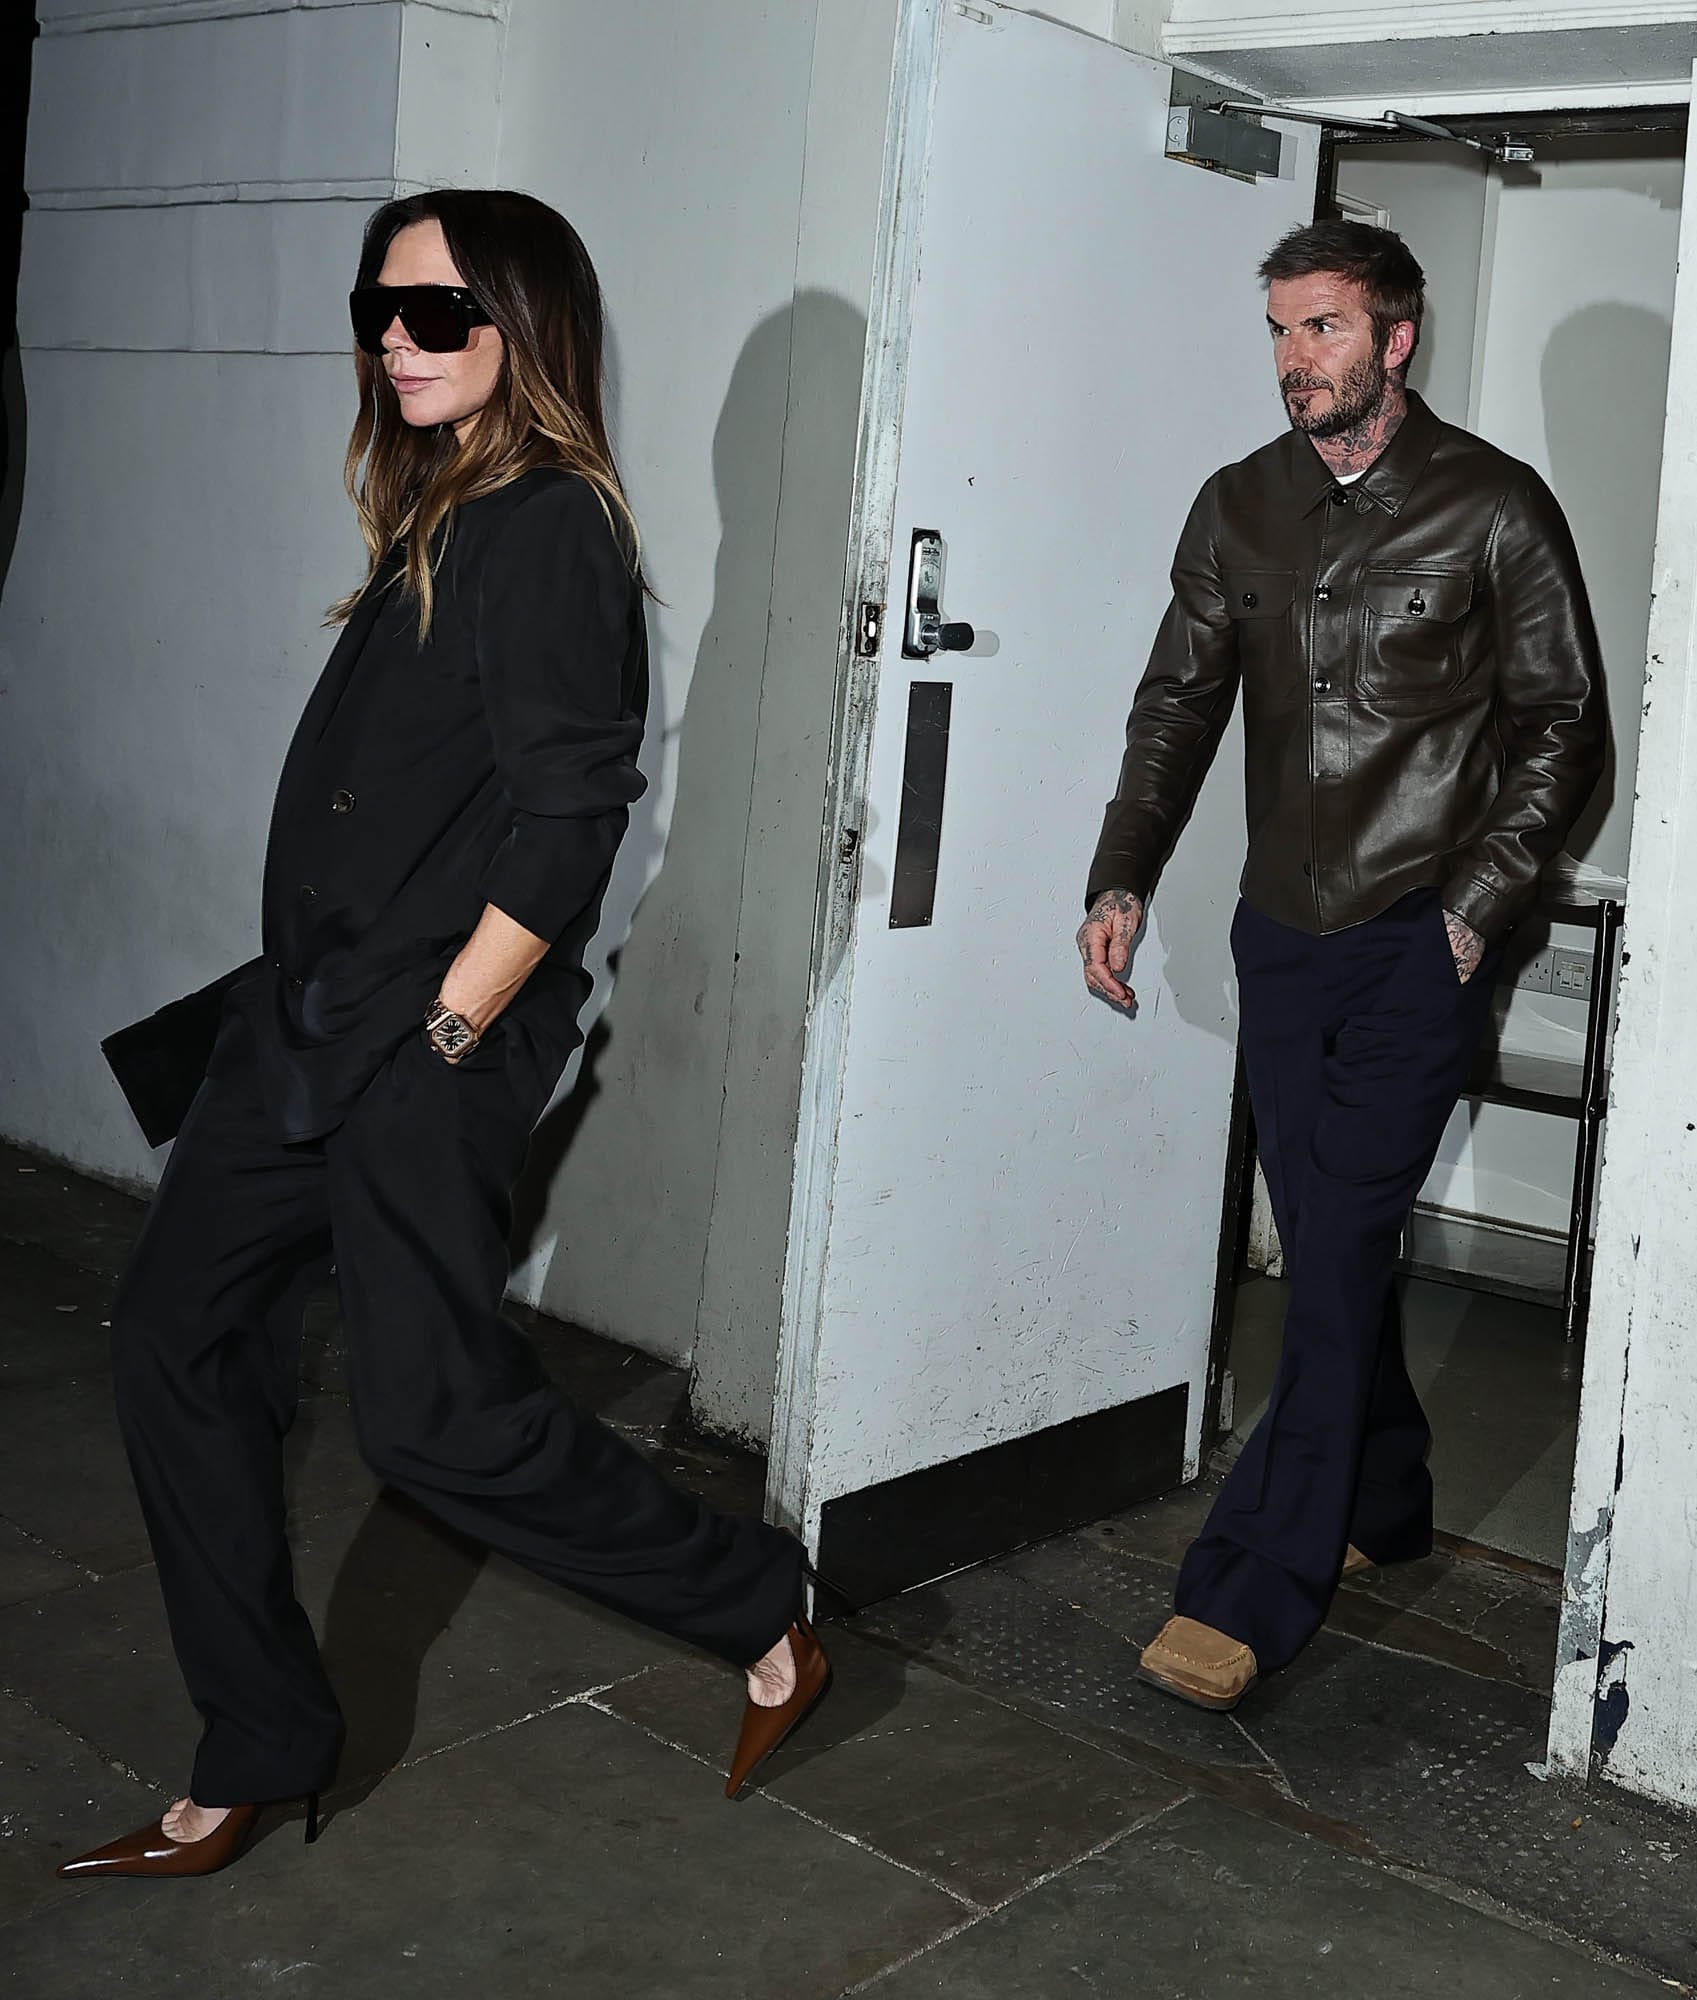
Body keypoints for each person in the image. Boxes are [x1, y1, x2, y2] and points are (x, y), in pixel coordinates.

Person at [60, 189, 831, 1880]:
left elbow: (571, 817)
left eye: (440, 314)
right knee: (174, 1337)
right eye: (381, 312)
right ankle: (259, 1742)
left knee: (429, 1423)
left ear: (525, 328)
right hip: (302, 1026)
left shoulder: (549, 525)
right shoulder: (441, 506)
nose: (398, 343)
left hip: (421, 1041)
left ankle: (753, 1600)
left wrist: (449, 1028)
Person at [1077, 220, 1605, 1711]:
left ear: (1395, 337)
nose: (1293, 358)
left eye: (1321, 327)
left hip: (1419, 938)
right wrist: (1122, 872)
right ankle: (1387, 1492)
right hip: (1282, 936)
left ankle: (1253, 1579)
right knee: (1326, 1239)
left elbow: (1565, 725)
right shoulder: (1237, 505)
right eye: (1279, 329)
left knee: (1334, 1250)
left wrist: (1473, 909)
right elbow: (1175, 708)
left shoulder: (1494, 506)